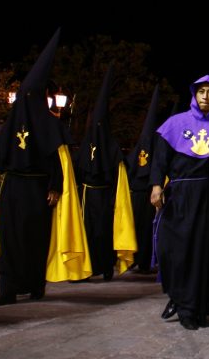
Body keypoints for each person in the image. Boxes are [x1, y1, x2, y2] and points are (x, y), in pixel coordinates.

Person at [0, 29, 91, 307]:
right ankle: (7, 289)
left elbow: (58, 159)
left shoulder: (50, 124)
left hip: (38, 189)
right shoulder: (11, 123)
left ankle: (35, 284)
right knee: (9, 238)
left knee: (35, 239)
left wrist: (55, 186)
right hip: (13, 186)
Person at [149, 75, 209, 330]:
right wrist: (157, 186)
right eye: (202, 91)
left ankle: (200, 305)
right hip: (181, 196)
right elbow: (160, 159)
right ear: (194, 94)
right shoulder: (175, 123)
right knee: (179, 251)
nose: (206, 96)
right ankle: (181, 301)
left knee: (206, 251)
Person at [76, 64, 136, 281]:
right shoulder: (85, 144)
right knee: (85, 232)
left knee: (103, 233)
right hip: (86, 195)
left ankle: (106, 266)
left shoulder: (112, 148)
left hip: (105, 197)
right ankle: (85, 268)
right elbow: (79, 168)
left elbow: (118, 177)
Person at [126, 85, 161, 274]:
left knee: (147, 229)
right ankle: (133, 258)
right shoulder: (140, 147)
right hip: (135, 194)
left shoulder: (156, 148)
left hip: (148, 194)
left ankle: (145, 260)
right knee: (134, 228)